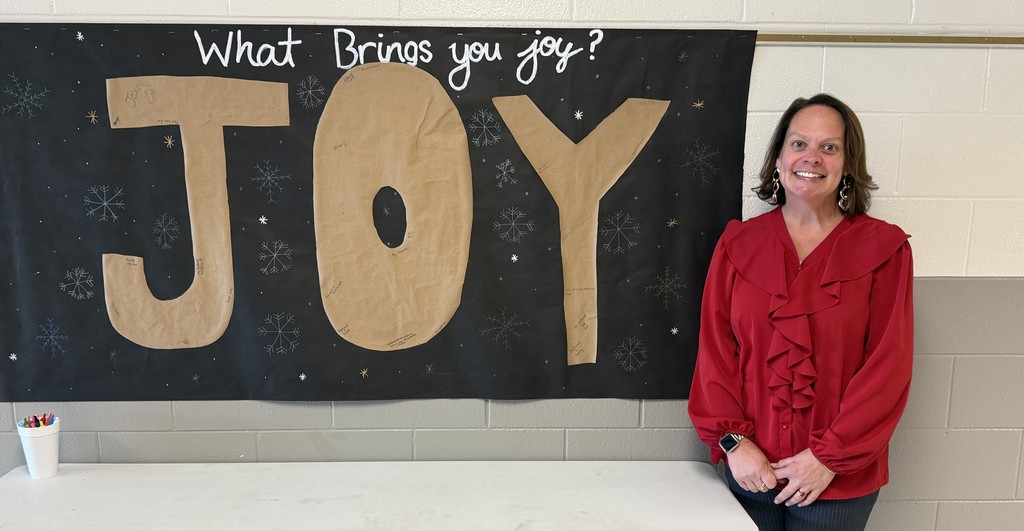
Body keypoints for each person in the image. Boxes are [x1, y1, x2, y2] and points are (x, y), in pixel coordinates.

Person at [688, 94, 913, 531]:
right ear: (778, 157)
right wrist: (735, 444)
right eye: (799, 144)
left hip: (838, 481)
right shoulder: (737, 246)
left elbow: (888, 368)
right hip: (750, 473)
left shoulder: (884, 251)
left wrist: (829, 457)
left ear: (848, 164)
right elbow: (716, 356)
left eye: (829, 147)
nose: (812, 157)